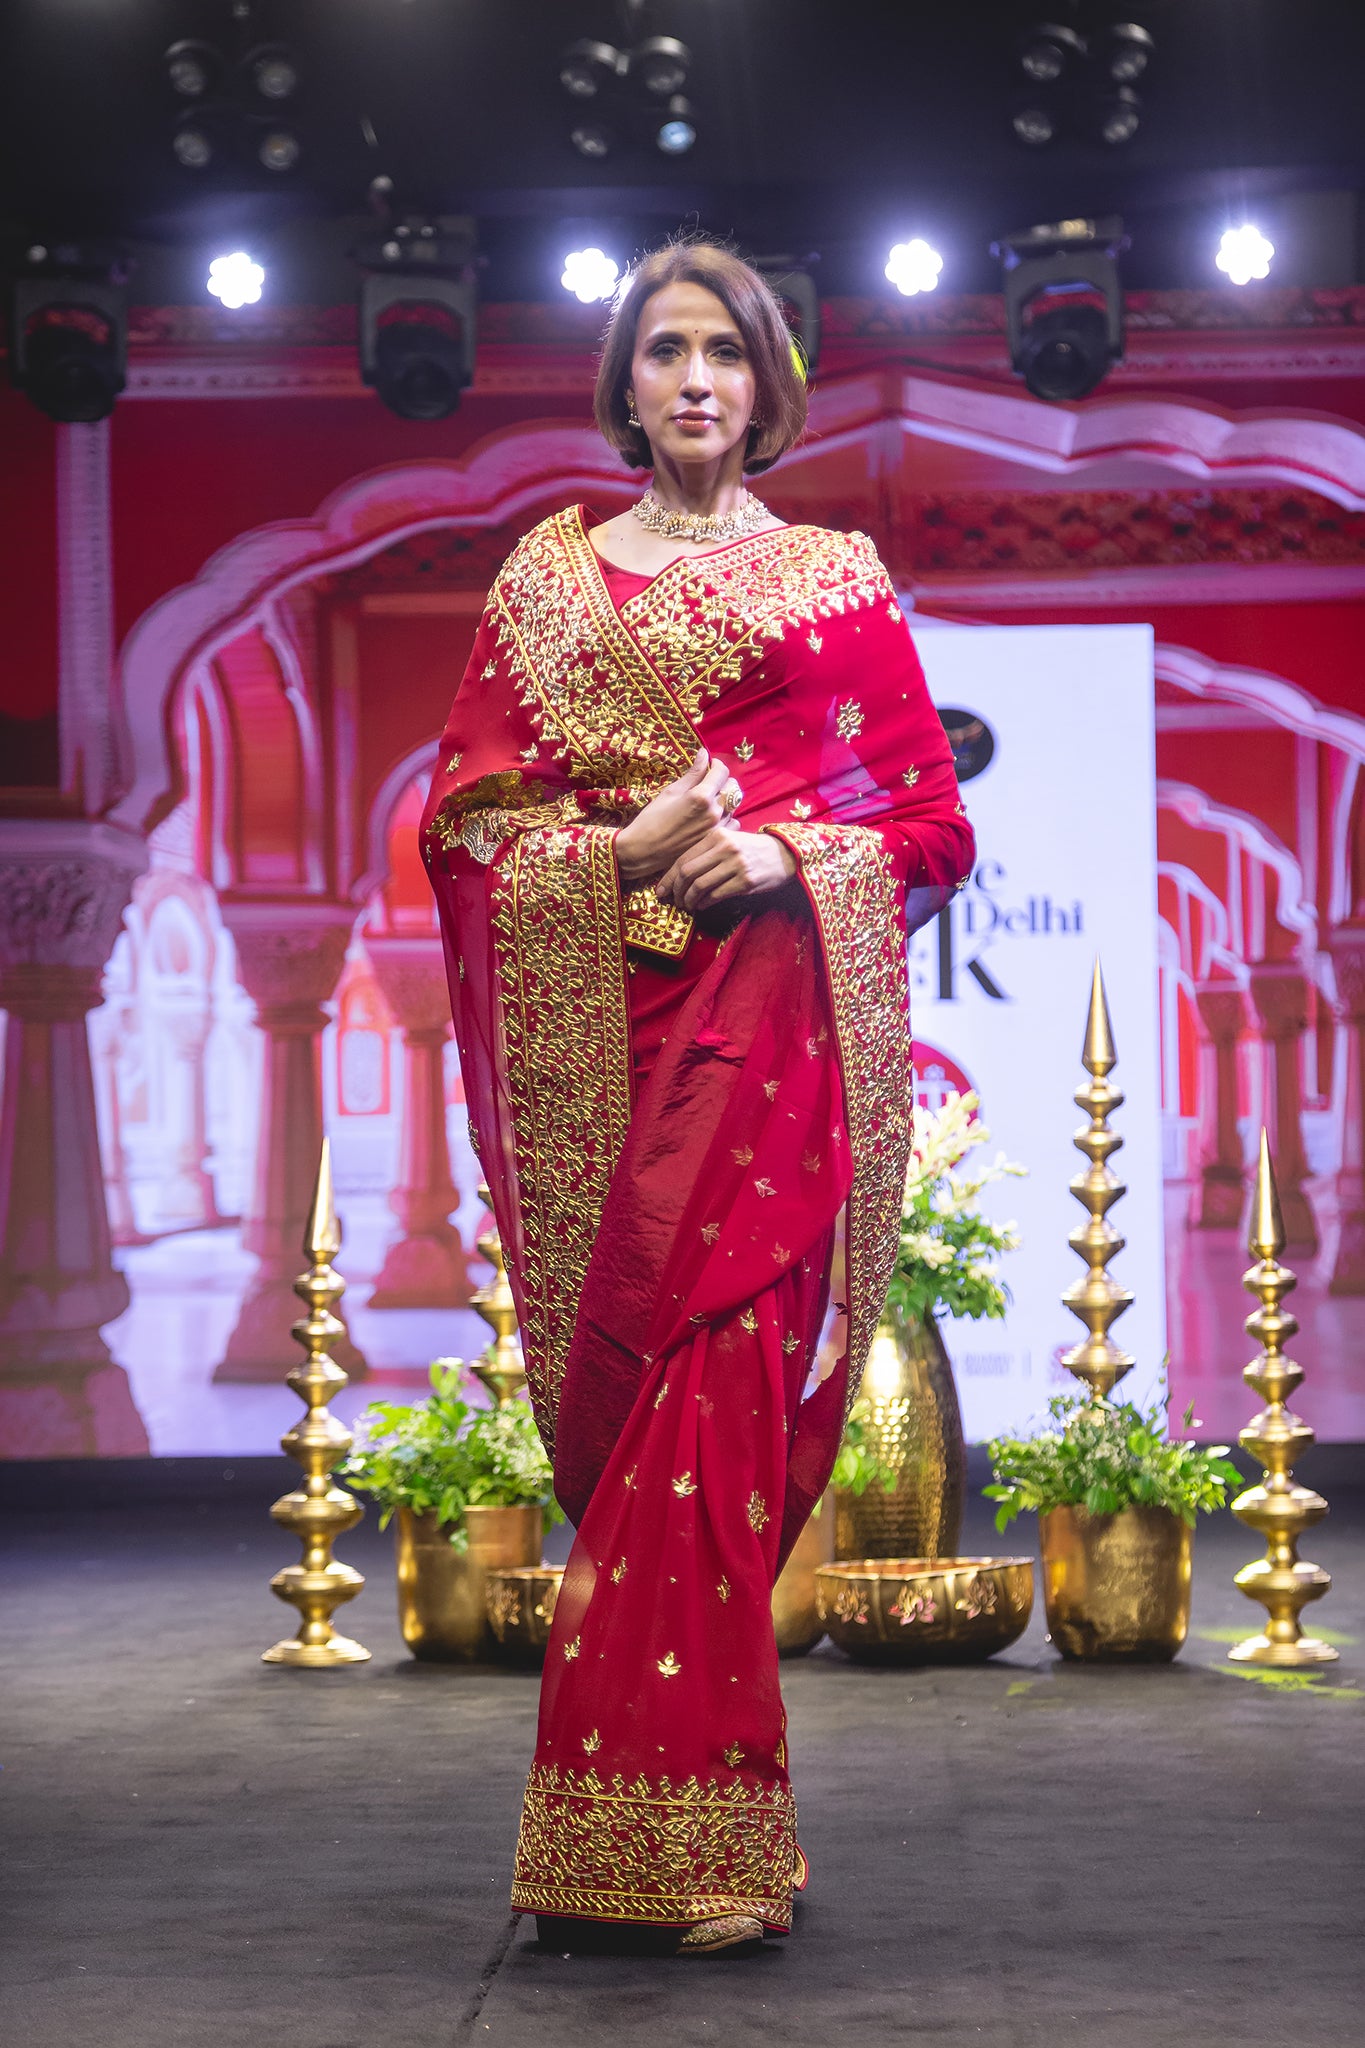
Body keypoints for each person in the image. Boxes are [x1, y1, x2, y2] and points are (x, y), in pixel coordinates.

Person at [420, 239, 974, 1956]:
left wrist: (784, 856)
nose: (693, 383)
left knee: (717, 1449)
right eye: (663, 351)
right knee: (638, 1434)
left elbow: (930, 830)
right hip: (618, 1054)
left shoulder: (832, 579)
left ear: (766, 381)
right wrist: (610, 856)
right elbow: (462, 827)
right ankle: (607, 1852)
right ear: (624, 383)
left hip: (769, 1062)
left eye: (723, 353)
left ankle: (722, 1846)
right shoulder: (547, 584)